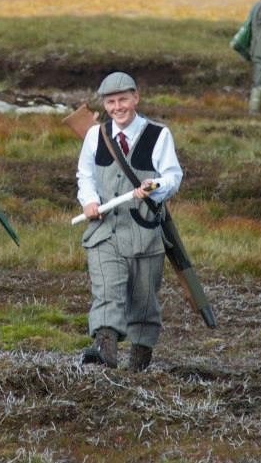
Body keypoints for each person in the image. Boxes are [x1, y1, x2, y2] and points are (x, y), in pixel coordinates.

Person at [76, 72, 183, 372]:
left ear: (136, 98)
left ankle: (139, 363)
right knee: (106, 291)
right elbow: (85, 175)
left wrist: (155, 187)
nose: (117, 107)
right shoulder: (95, 136)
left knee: (144, 301)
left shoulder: (159, 135)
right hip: (104, 230)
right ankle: (104, 351)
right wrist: (89, 201)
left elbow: (173, 177)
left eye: (123, 99)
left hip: (145, 232)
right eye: (111, 102)